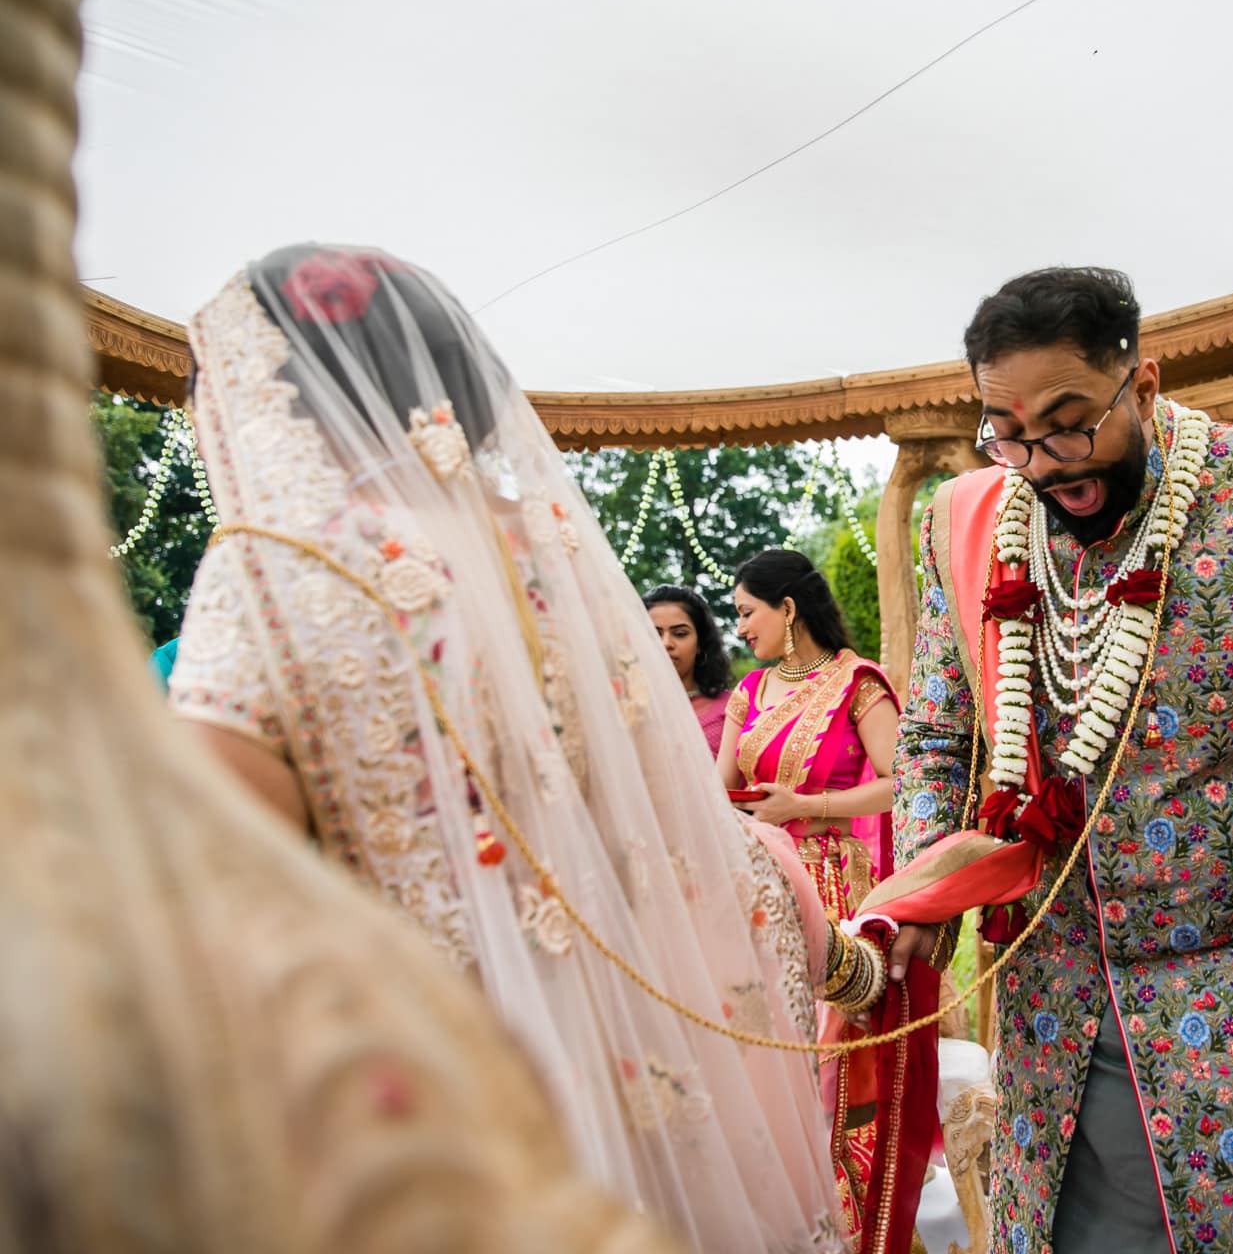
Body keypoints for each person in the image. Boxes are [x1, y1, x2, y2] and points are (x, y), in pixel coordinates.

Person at [164, 244, 852, 1252]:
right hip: (625, 1068)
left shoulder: (274, 566)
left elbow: (208, 898)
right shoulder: (559, 558)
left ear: (281, 395)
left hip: (416, 1103)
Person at [875, 266, 1233, 1253]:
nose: (1044, 460)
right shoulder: (969, 523)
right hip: (1048, 1006)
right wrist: (932, 879)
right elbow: (934, 740)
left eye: (1068, 419)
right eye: (1006, 431)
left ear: (1141, 384)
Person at [720, 549, 900, 926]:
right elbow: (720, 790)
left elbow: (899, 785)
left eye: (746, 612)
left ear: (787, 608)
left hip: (828, 884)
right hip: (755, 876)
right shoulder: (749, 690)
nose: (740, 629)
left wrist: (802, 806)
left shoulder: (856, 683)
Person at [644, 584, 732, 756]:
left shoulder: (731, 709)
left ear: (700, 643)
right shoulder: (624, 707)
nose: (666, 643)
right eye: (654, 634)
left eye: (680, 633)